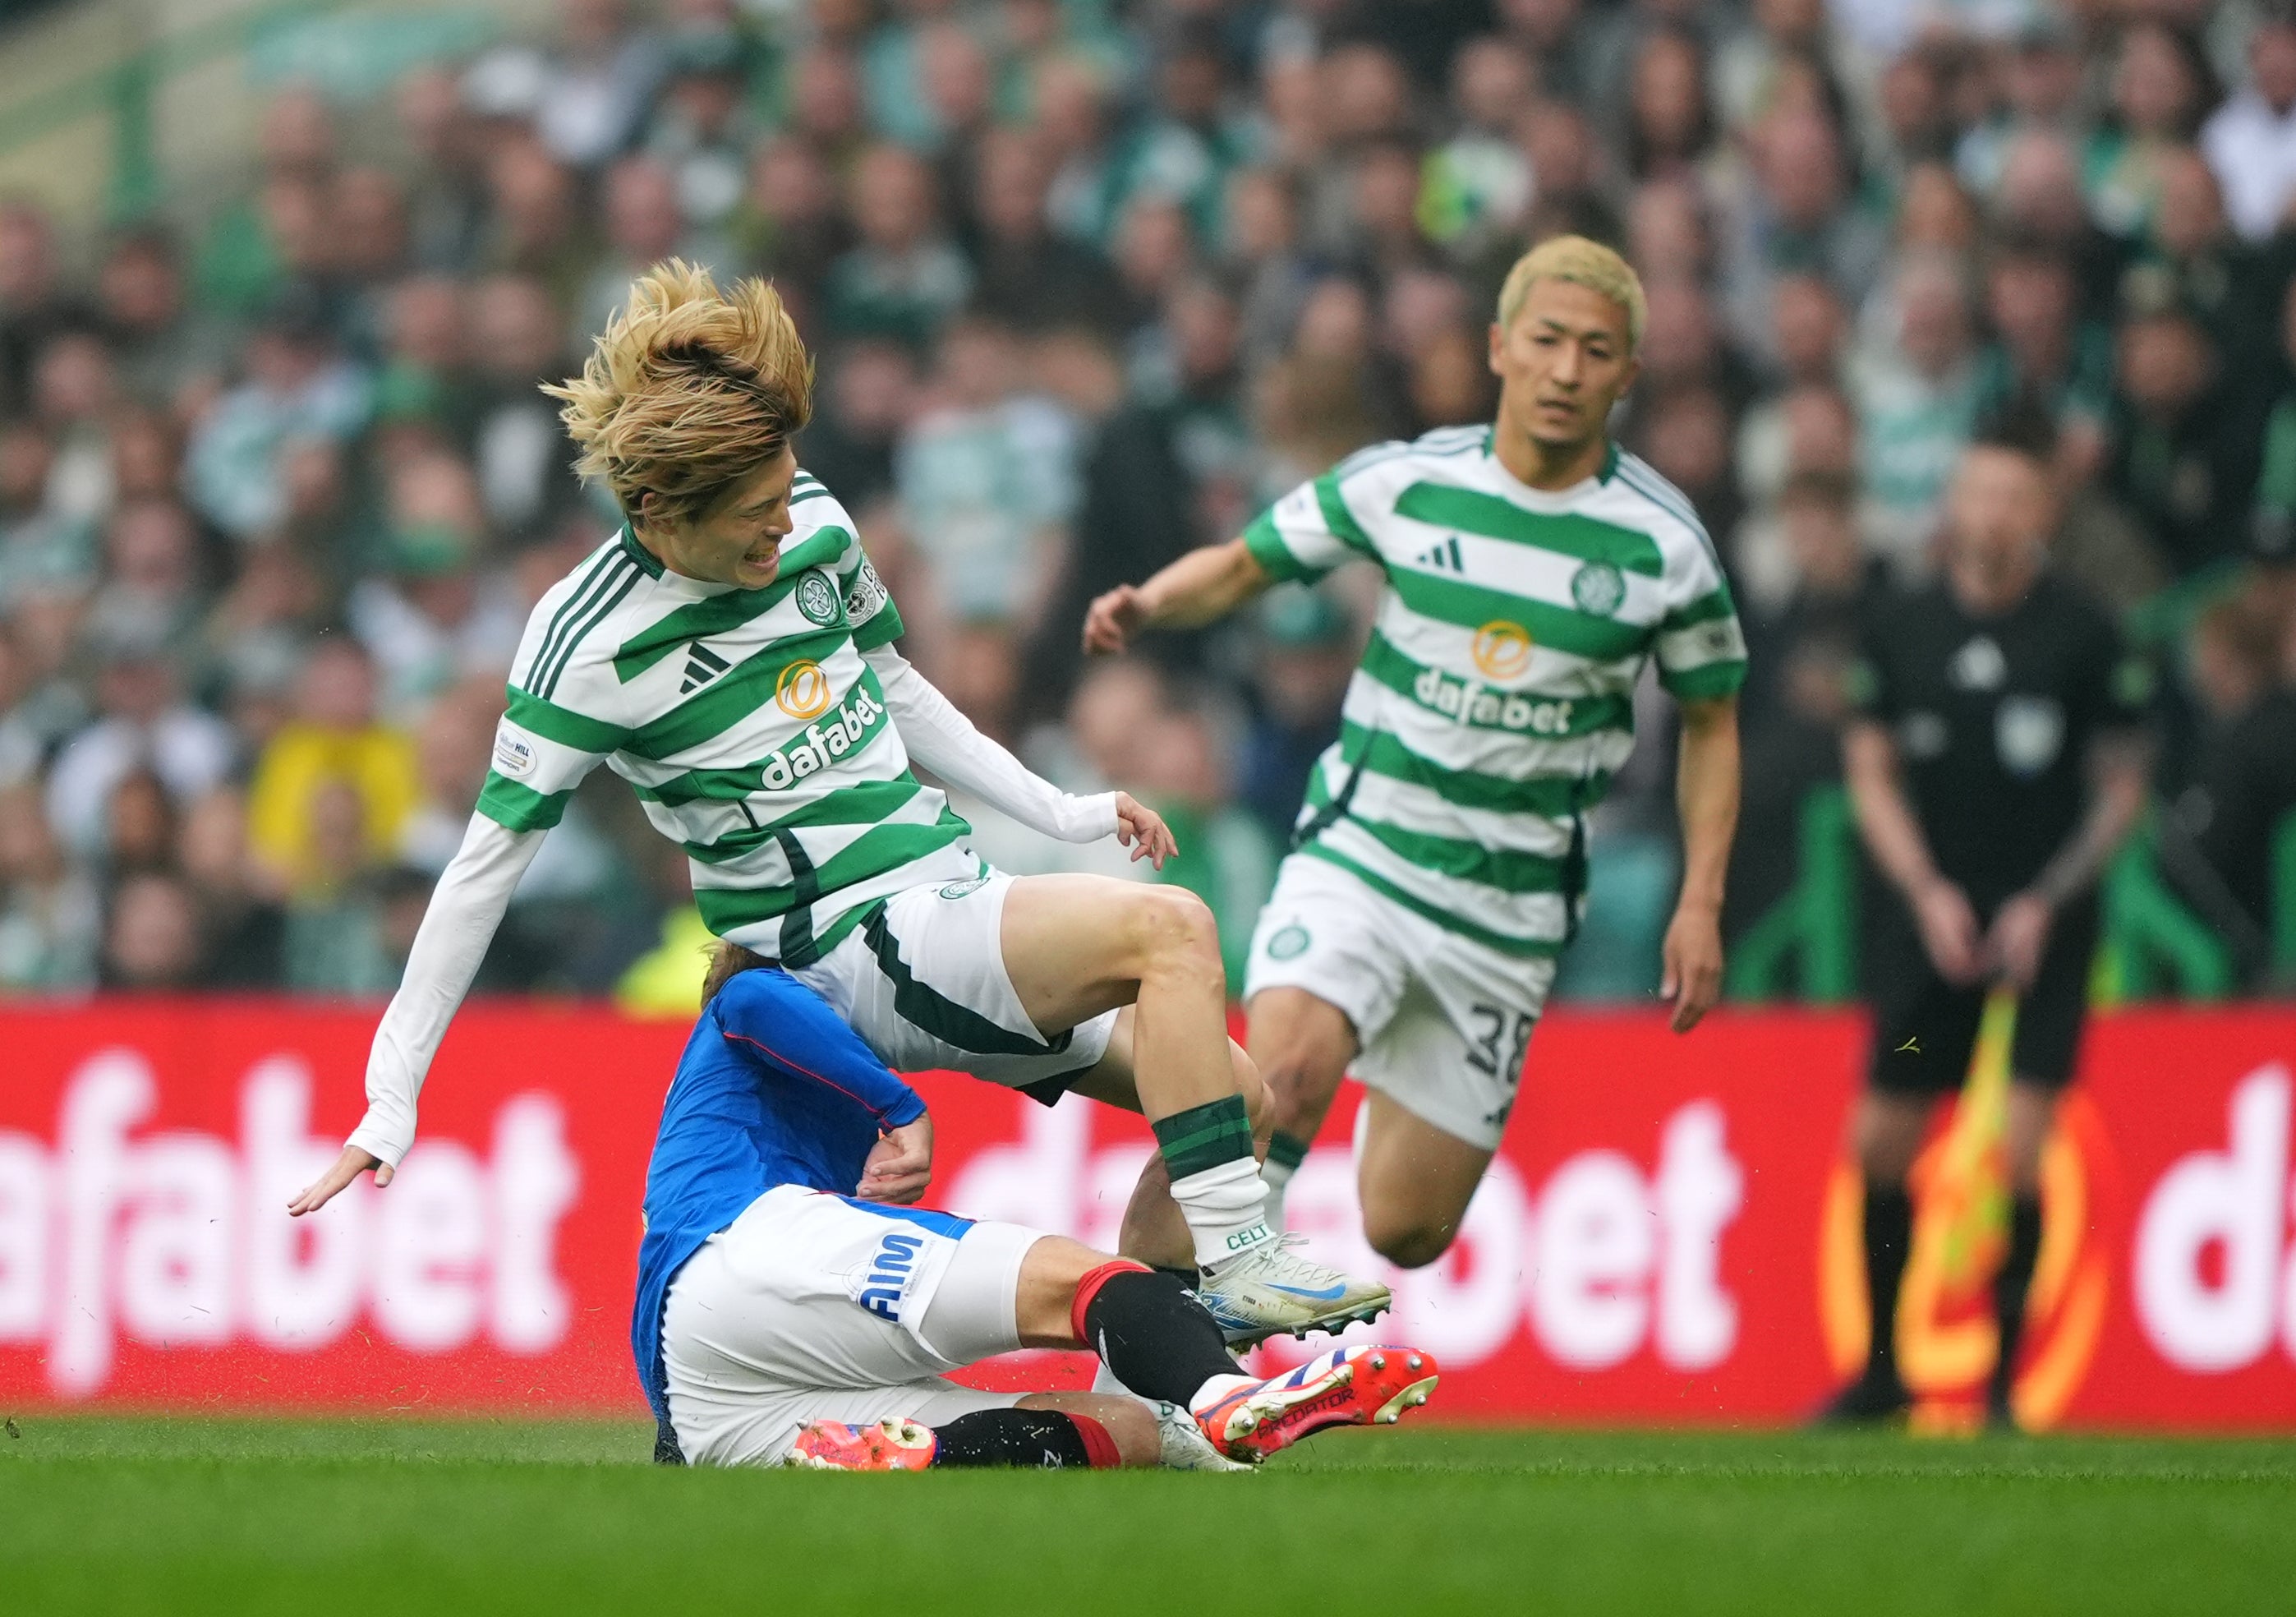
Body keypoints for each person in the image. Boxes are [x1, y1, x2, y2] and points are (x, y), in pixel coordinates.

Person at [287, 260, 1386, 1346]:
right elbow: (483, 872)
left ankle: (1157, 1389)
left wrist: (1059, 810)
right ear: (663, 510)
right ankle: (1245, 1264)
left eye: (784, 493)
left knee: (1229, 1105)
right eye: (754, 518)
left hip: (950, 898)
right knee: (1172, 929)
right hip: (847, 945)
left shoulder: (805, 508)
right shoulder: (586, 645)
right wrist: (392, 1096)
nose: (785, 526)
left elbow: (893, 682)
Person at [1083, 236, 1745, 1268]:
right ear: (1498, 348)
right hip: (1365, 852)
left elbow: (1710, 721)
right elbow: (1249, 562)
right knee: (1282, 1073)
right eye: (1547, 341)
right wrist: (1151, 601)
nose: (1567, 370)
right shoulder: (1405, 483)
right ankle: (1167, 1335)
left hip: (1505, 915)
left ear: (1628, 373)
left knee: (1405, 1227)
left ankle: (1213, 1302)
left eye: (1596, 350)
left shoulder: (1663, 545)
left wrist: (1699, 900)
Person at [642, 943, 1440, 1470]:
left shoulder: (744, 1087)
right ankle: (1228, 1397)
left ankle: (927, 1455)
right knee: (1084, 1283)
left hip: (708, 1409)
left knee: (1128, 1433)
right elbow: (752, 1000)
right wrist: (900, 1107)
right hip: (737, 1257)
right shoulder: (762, 993)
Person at [1826, 430, 2151, 1429]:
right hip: (1935, 938)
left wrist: (2045, 897)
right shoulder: (1898, 628)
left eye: (2015, 497)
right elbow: (1869, 772)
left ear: (2042, 514)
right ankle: (1884, 1371)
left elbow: (2120, 785)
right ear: (1952, 505)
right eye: (1979, 493)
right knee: (1882, 1134)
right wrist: (1924, 889)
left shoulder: (2086, 633)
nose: (1994, 515)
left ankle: (2006, 1389)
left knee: (2018, 1142)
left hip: (2042, 937)